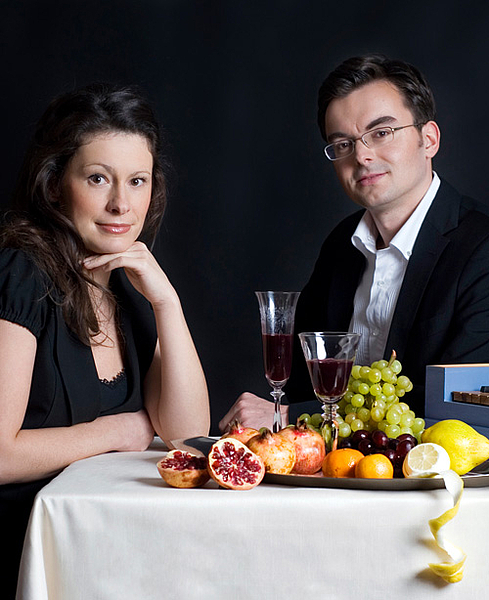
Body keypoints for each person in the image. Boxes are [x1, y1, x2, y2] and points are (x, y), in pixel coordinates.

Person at [0, 82, 210, 598]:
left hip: (97, 556)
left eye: (137, 182)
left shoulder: (126, 289)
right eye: (98, 178)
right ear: (55, 185)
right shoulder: (21, 273)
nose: (121, 204)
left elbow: (187, 435)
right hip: (22, 557)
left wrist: (167, 303)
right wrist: (115, 430)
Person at [220, 53, 489, 433]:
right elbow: (302, 381)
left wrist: (289, 416)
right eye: (343, 144)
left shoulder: (481, 249)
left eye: (381, 133)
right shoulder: (341, 245)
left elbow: (460, 410)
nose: (361, 156)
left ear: (428, 139)